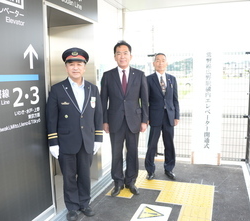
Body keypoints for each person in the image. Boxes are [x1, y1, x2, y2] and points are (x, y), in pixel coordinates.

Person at [46, 47, 103, 221]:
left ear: (84, 67)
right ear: (66, 67)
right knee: (69, 177)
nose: (75, 67)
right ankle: (72, 207)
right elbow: (51, 118)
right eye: (71, 64)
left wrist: (98, 138)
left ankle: (84, 203)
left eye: (79, 64)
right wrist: (53, 142)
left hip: (87, 141)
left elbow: (98, 114)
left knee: (85, 175)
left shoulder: (93, 89)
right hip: (66, 142)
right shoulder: (57, 89)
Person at [100, 40, 149, 197]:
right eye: (119, 53)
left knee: (133, 152)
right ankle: (118, 182)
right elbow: (103, 100)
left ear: (130, 56)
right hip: (114, 121)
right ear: (115, 57)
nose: (122, 56)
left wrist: (144, 120)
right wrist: (104, 121)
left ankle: (131, 181)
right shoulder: (107, 76)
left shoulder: (140, 75)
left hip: (134, 120)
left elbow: (145, 100)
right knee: (116, 153)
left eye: (125, 53)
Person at [145, 53, 180, 181]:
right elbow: (145, 101)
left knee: (169, 143)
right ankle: (150, 170)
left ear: (167, 63)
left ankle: (169, 168)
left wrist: (176, 115)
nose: (160, 63)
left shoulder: (172, 79)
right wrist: (146, 117)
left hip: (169, 117)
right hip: (154, 116)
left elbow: (175, 99)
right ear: (154, 64)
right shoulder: (148, 79)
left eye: (163, 61)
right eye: (157, 61)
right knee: (152, 145)